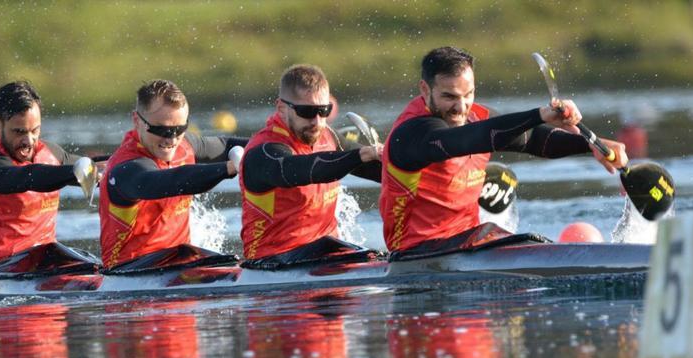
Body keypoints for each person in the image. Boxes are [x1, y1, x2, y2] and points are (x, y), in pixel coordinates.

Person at [380, 46, 628, 253]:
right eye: (449, 97)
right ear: (425, 89)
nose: (461, 107)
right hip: (416, 254)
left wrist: (591, 143)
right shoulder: (411, 133)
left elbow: (532, 140)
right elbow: (467, 140)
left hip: (469, 243)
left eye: (468, 94)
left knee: (519, 240)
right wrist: (539, 114)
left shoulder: (476, 116)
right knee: (522, 242)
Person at [240, 64, 382, 266]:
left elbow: (384, 171)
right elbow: (301, 169)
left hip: (325, 253)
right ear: (281, 108)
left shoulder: (329, 136)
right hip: (273, 261)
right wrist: (359, 155)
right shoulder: (264, 152)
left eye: (324, 111)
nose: (317, 121)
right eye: (307, 111)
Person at [98, 79, 245, 271]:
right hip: (132, 271)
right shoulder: (126, 168)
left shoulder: (185, 146)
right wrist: (227, 168)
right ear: (137, 121)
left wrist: (274, 152)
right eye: (161, 130)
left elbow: (229, 144)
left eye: (180, 129)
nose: (172, 139)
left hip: (180, 262)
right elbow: (170, 181)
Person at [0, 81, 102, 275]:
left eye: (35, 130)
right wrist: (76, 172)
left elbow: (101, 168)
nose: (29, 141)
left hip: (43, 261)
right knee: (79, 264)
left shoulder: (51, 152)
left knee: (95, 265)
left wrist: (109, 170)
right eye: (19, 132)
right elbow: (28, 177)